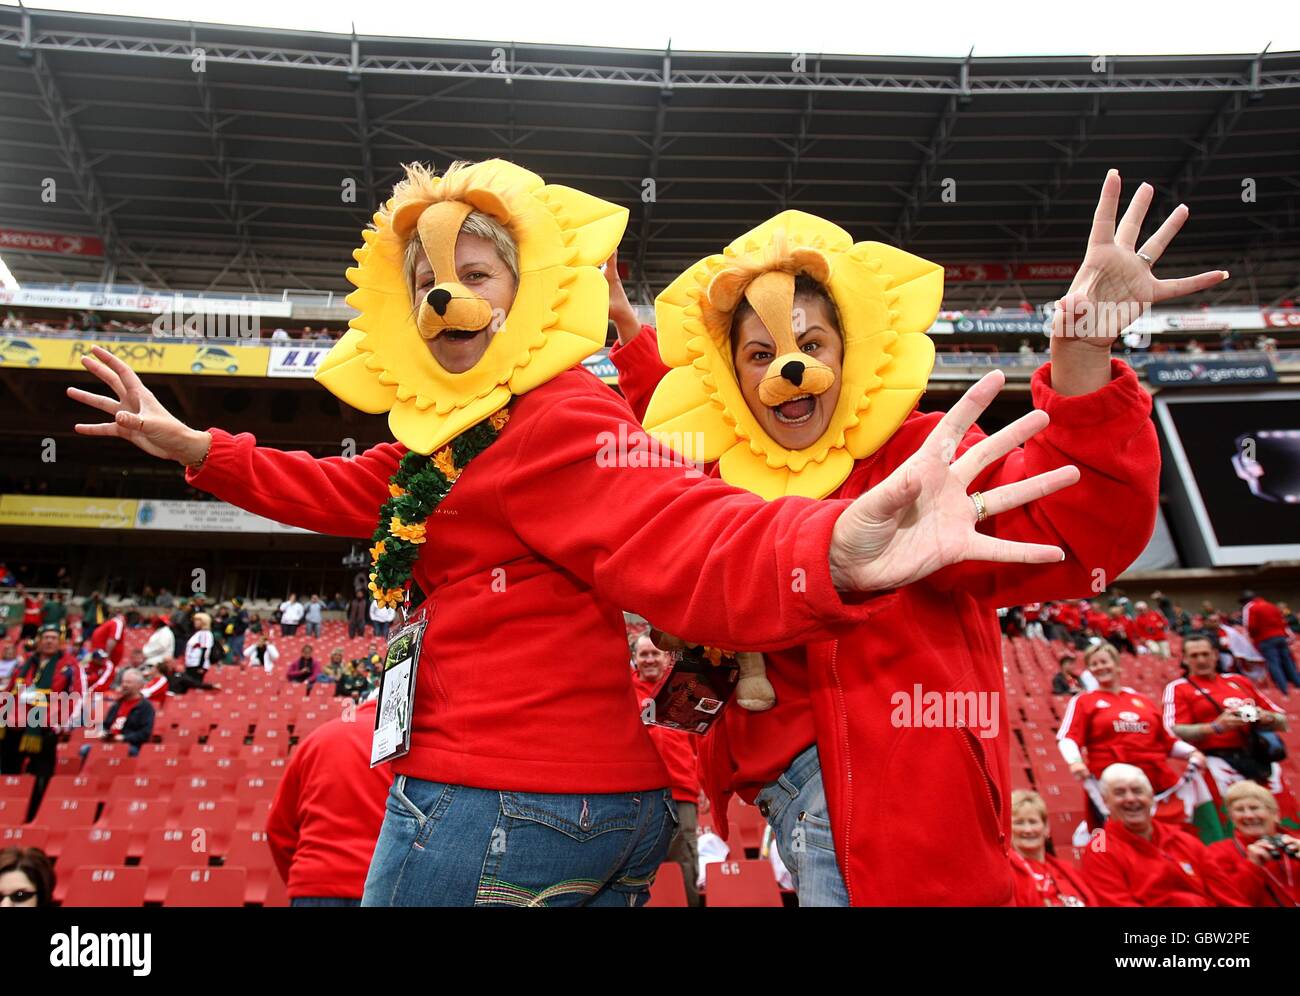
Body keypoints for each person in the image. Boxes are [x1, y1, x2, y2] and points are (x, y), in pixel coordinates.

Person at [69, 157, 1086, 908]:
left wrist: (821, 554)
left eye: (477, 270)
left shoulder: (557, 417)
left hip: (501, 798)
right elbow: (338, 490)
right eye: (427, 276)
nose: (443, 295)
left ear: (530, 300)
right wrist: (194, 445)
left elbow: (677, 525)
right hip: (580, 802)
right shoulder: (456, 445)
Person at [611, 170, 1204, 905]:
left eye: (811, 343)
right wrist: (630, 337)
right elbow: (668, 440)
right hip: (794, 802)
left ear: (847, 351)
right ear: (732, 378)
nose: (786, 371)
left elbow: (1075, 525)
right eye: (758, 356)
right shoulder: (721, 470)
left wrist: (1079, 351)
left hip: (903, 800)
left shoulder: (917, 454)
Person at [1057, 642, 1207, 831]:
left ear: (1117, 664)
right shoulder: (1084, 700)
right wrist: (1075, 761)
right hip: (1114, 785)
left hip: (1155, 782)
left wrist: (1192, 752)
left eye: (1104, 661)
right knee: (1119, 840)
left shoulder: (1142, 700)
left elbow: (1167, 742)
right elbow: (1068, 738)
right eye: (1094, 664)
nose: (1100, 667)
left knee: (1165, 836)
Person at [267, 695, 393, 906]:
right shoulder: (406, 744)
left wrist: (305, 880)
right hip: (382, 885)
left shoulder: (317, 738)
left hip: (314, 884)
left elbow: (277, 828)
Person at [1080, 764, 1248, 906]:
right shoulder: (1099, 850)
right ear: (1105, 802)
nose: (1130, 799)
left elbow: (1228, 897)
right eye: (1119, 793)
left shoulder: (1184, 840)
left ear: (1151, 797)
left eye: (1137, 791)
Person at [1163, 633, 1290, 798]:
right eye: (1194, 656)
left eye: (1205, 654)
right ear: (1185, 659)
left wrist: (1265, 717)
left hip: (1257, 756)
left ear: (1215, 655)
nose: (1201, 660)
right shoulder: (1178, 688)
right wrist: (1216, 727)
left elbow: (1282, 721)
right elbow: (1172, 731)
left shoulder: (1239, 680)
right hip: (1215, 761)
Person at [630, 635, 702, 907]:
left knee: (686, 859)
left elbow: (699, 740)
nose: (649, 659)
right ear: (635, 659)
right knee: (639, 863)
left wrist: (702, 783)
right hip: (639, 793)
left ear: (666, 657)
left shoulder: (685, 689)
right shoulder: (624, 692)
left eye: (655, 654)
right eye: (643, 654)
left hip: (681, 789)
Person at [0, 626, 85, 817]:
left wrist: (62, 722)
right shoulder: (25, 664)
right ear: (38, 640)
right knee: (8, 772)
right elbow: (11, 689)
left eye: (53, 638)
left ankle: (33, 814)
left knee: (41, 775)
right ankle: (7, 810)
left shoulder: (70, 665)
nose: (49, 641)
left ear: (60, 641)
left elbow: (77, 695)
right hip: (16, 725)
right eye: (45, 637)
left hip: (44, 727)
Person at [1207, 780, 1299, 906]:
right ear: (1232, 819)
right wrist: (1252, 866)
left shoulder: (1296, 842)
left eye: (1254, 808)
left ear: (1276, 814)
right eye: (1239, 810)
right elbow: (1228, 900)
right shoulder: (1218, 852)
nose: (1248, 815)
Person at [1008, 790, 1095, 907]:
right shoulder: (1007, 874)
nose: (1028, 830)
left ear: (1046, 827)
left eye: (1033, 822)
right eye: (1019, 823)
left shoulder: (1067, 871)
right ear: (1008, 829)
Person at [81, 667, 155, 759]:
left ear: (139, 685)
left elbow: (145, 733)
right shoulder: (117, 704)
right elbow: (106, 725)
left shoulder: (146, 707)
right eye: (123, 682)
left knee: (128, 752)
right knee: (85, 749)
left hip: (129, 745)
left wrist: (123, 738)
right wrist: (103, 733)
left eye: (128, 682)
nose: (124, 685)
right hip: (110, 743)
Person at [1241, 590, 1300, 697]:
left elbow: (1251, 626)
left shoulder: (1250, 607)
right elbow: (1283, 622)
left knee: (1274, 663)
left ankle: (1284, 690)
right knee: (1288, 662)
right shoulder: (1271, 606)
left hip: (1265, 639)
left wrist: (1255, 638)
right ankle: (1297, 684)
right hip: (1281, 637)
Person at [178, 611, 217, 693]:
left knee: (193, 686)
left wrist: (201, 666)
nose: (195, 622)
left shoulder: (205, 633)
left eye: (198, 620)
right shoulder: (197, 633)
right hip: (191, 664)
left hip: (197, 665)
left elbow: (205, 649)